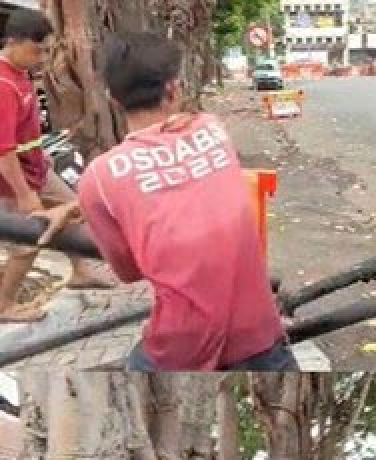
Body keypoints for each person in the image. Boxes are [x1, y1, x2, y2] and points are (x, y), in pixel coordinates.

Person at [39, 31, 293, 371]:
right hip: (261, 335)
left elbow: (128, 272)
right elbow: (179, 177)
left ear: (113, 99)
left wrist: (82, 205)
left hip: (182, 347)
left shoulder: (98, 178)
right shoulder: (213, 130)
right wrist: (79, 206)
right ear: (174, 89)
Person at [0, 9, 112, 324]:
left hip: (36, 167)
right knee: (28, 241)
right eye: (36, 51)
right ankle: (4, 304)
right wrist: (24, 194)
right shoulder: (3, 84)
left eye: (46, 51)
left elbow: (24, 128)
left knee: (73, 208)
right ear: (13, 42)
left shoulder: (20, 73)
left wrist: (40, 153)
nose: (42, 59)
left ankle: (80, 271)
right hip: (12, 178)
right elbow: (3, 150)